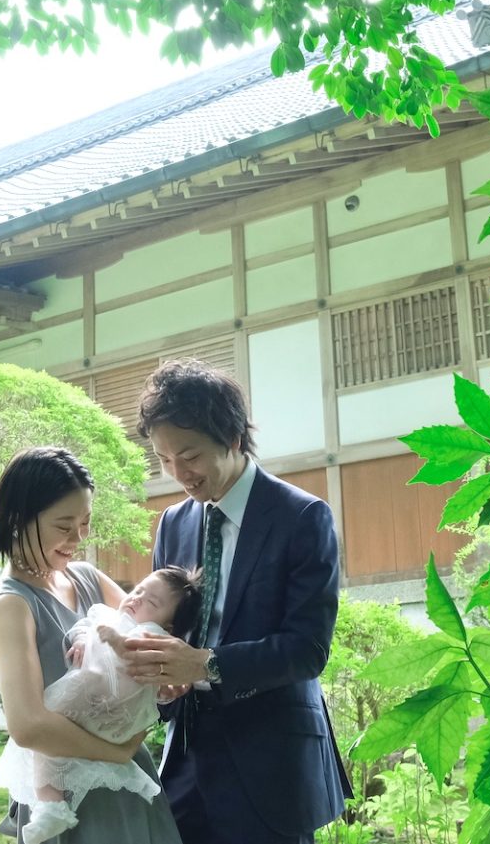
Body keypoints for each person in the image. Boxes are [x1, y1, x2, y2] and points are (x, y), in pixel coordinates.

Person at [123, 359, 351, 844]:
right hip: (185, 760)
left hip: (271, 763)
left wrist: (204, 665)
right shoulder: (172, 523)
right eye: (164, 460)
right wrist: (164, 680)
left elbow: (307, 650)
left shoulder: (302, 517)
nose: (178, 473)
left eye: (190, 456)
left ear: (231, 437)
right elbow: (168, 627)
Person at [0, 446, 183, 844]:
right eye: (64, 525)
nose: (79, 537)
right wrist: (120, 751)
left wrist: (167, 675)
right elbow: (29, 726)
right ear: (20, 519)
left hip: (130, 791)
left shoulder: (86, 578)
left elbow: (153, 644)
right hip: (66, 807)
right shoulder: (11, 605)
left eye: (86, 522)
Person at [0, 566, 204, 844]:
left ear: (169, 627)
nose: (137, 599)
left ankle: (52, 806)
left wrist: (117, 642)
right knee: (45, 754)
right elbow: (84, 626)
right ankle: (50, 806)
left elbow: (139, 655)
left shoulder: (152, 634)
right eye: (138, 590)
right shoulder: (108, 614)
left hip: (114, 722)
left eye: (151, 602)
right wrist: (81, 640)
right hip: (80, 718)